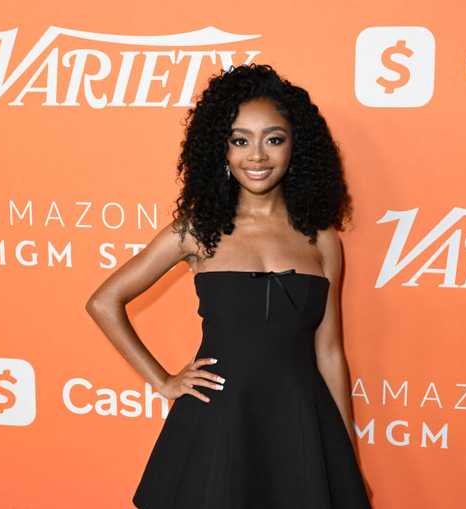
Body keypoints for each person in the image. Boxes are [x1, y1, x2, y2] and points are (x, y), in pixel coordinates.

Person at [85, 63, 372, 508]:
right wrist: (163, 381)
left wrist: (347, 455)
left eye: (273, 139)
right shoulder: (198, 230)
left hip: (300, 424)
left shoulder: (321, 238)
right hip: (219, 423)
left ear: (296, 147)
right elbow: (104, 301)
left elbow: (330, 351)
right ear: (221, 148)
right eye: (240, 140)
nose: (257, 155)